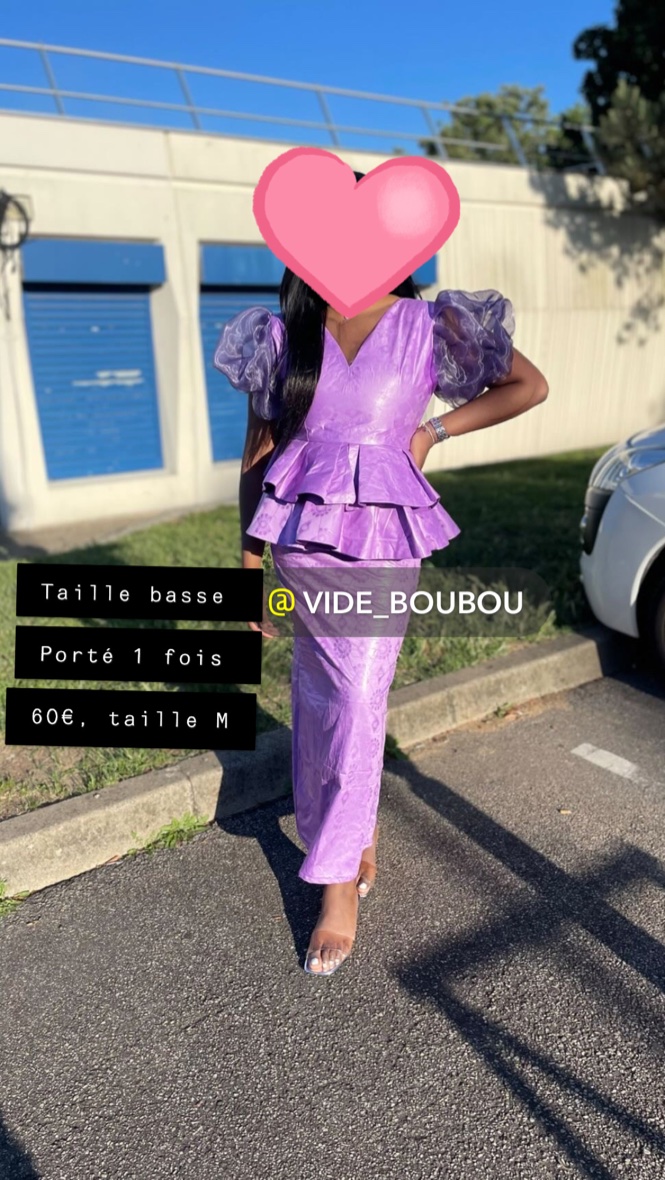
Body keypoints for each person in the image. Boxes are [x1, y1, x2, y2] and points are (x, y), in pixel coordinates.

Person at [214, 175, 549, 977]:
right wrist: (249, 562)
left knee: (359, 697)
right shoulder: (282, 334)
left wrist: (433, 431)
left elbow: (527, 387)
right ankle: (350, 831)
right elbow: (259, 455)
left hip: (383, 539)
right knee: (319, 696)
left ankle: (336, 883)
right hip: (300, 541)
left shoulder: (431, 325)